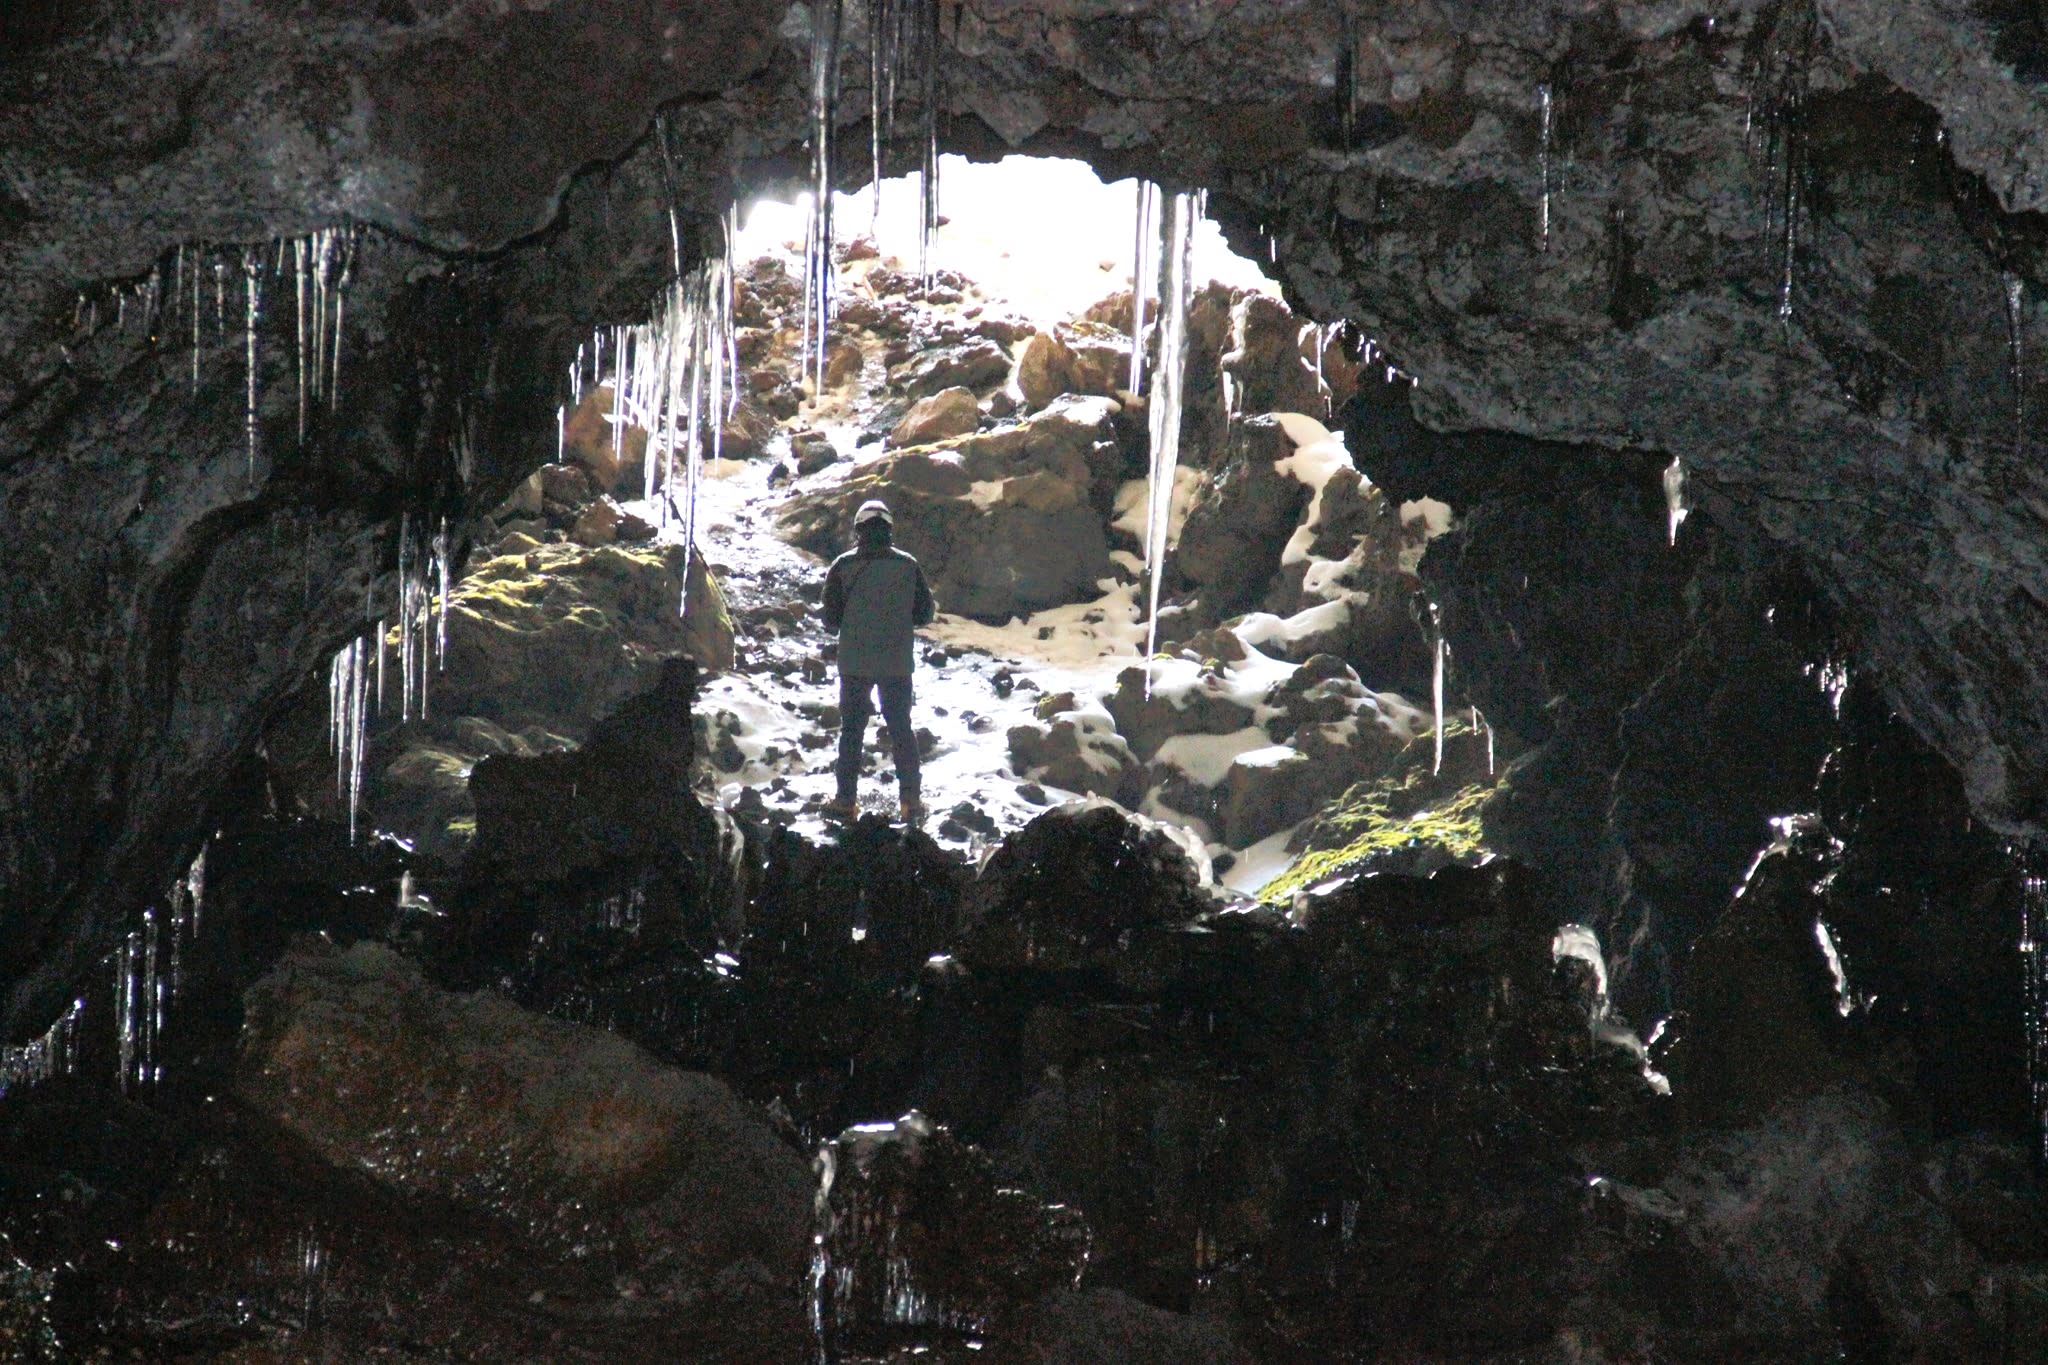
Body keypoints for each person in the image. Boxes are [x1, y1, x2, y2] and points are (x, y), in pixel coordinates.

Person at [821, 498, 936, 822]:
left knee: (852, 731)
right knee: (901, 729)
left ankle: (845, 802)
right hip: (897, 662)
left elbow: (830, 619)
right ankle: (910, 803)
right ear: (889, 530)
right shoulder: (908, 565)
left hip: (855, 662)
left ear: (858, 530)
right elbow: (925, 614)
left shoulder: (843, 566)